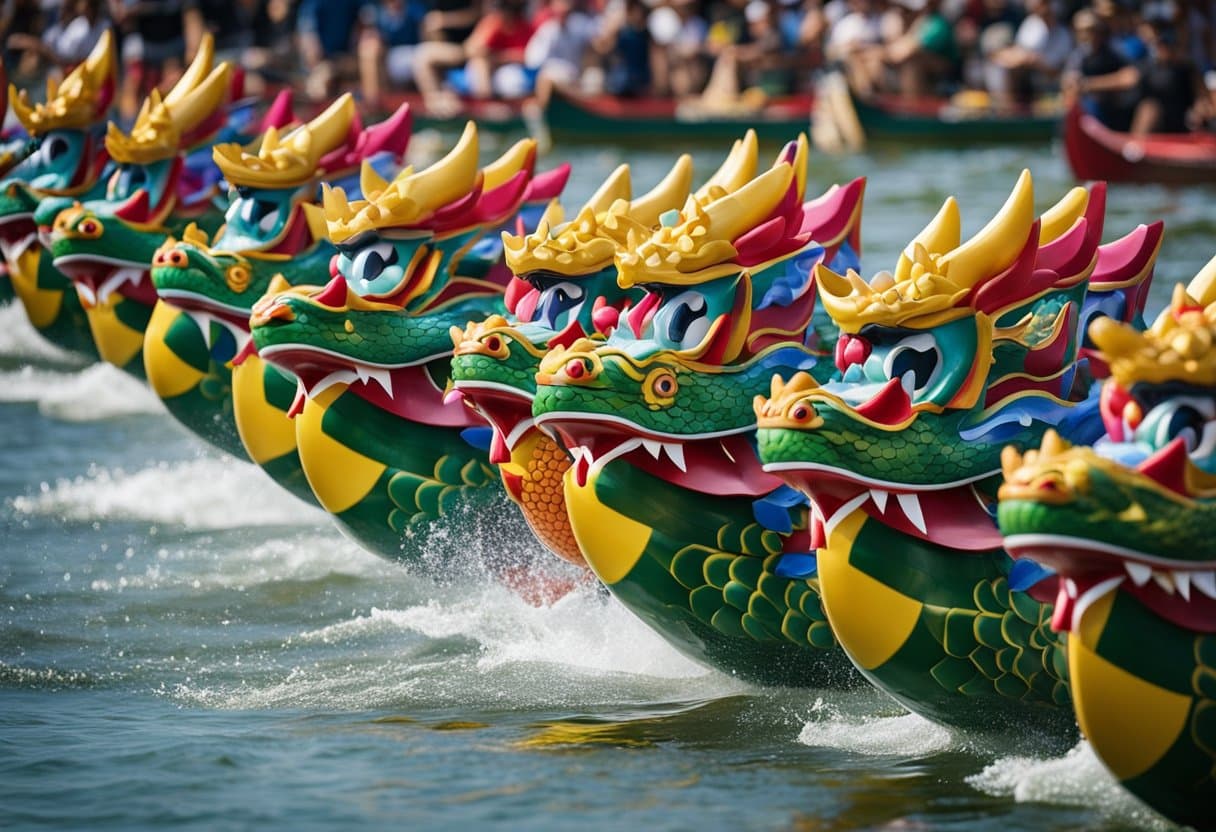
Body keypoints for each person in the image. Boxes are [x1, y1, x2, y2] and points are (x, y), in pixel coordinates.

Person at [1131, 18, 1213, 133]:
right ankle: (1135, 144)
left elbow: (1202, 98)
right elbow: (1126, 78)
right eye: (1160, 44)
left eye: (1168, 44)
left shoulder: (1187, 68)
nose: (1163, 48)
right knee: (1148, 108)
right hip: (1155, 123)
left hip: (1181, 123)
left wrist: (1199, 110)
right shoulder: (1147, 67)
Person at [1062, 8, 1139, 129]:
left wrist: (1089, 85)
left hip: (1117, 112)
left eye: (1091, 30)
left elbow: (1130, 78)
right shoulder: (1078, 55)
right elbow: (1069, 84)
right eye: (1081, 31)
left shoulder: (1115, 50)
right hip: (1089, 114)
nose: (1086, 35)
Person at [987, 0, 1072, 106]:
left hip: (1051, 84)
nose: (1043, 11)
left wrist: (1035, 61)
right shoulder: (1032, 23)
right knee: (1001, 65)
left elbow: (1055, 71)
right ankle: (1008, 107)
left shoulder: (1063, 35)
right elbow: (1020, 53)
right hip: (1028, 76)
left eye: (1046, 6)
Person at [358, 0, 428, 108]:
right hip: (388, 58)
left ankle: (432, 104)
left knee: (424, 57)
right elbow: (369, 36)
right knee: (369, 49)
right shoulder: (374, 11)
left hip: (415, 54)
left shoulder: (414, 8)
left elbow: (425, 37)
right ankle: (373, 105)